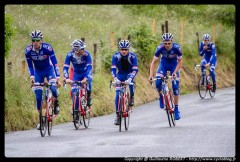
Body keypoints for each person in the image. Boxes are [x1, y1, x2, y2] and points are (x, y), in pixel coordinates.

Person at [24, 30, 61, 130]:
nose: (35, 42)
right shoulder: (28, 50)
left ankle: (56, 102)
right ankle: (41, 120)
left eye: (37, 40)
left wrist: (57, 77)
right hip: (38, 72)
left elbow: (55, 62)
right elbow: (30, 66)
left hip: (49, 70)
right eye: (33, 40)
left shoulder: (47, 48)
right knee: (39, 97)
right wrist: (32, 77)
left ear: (41, 40)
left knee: (53, 88)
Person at [149, 33, 182, 120]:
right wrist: (151, 75)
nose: (167, 45)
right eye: (165, 43)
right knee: (158, 82)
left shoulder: (177, 48)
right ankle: (161, 96)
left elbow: (180, 62)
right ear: (163, 42)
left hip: (174, 66)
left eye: (169, 43)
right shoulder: (160, 48)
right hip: (163, 64)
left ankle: (176, 109)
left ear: (172, 41)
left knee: (175, 87)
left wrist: (175, 72)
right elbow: (153, 62)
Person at [111, 40, 138, 125]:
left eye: (126, 49)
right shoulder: (115, 56)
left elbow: (135, 70)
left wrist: (130, 79)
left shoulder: (133, 57)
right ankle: (118, 115)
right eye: (122, 49)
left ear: (128, 49)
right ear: (119, 49)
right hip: (120, 74)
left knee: (130, 82)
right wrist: (115, 78)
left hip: (129, 74)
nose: (124, 51)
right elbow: (113, 69)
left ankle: (132, 96)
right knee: (118, 94)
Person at [63, 39, 93, 113]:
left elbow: (90, 67)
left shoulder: (87, 54)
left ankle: (88, 96)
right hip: (76, 74)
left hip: (86, 72)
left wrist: (86, 78)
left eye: (83, 48)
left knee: (88, 84)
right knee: (74, 92)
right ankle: (76, 111)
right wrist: (67, 78)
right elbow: (65, 68)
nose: (84, 50)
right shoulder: (69, 55)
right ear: (76, 50)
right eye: (82, 49)